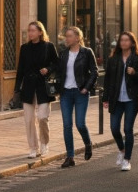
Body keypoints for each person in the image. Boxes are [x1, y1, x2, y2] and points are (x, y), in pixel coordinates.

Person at [103, 31, 138, 172]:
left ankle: (127, 159)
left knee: (128, 129)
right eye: (121, 40)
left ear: (132, 43)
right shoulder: (113, 59)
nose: (123, 43)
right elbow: (108, 80)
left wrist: (134, 73)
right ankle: (122, 150)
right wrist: (105, 98)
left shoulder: (137, 59)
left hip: (131, 99)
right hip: (116, 98)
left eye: (126, 40)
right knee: (114, 128)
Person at [15, 21, 59, 159]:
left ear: (40, 32)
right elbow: (20, 69)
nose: (30, 33)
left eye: (33, 30)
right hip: (28, 86)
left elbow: (57, 63)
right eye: (29, 30)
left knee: (42, 117)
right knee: (28, 119)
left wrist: (48, 69)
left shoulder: (48, 46)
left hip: (43, 86)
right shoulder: (24, 48)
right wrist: (17, 88)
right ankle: (33, 147)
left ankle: (44, 143)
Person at [55, 27, 98, 168]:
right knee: (67, 125)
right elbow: (59, 72)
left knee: (80, 124)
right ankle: (70, 156)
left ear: (77, 38)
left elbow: (94, 72)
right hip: (66, 93)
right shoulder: (63, 53)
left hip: (80, 92)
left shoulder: (87, 52)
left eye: (69, 36)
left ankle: (88, 143)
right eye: (66, 36)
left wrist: (86, 87)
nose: (66, 39)